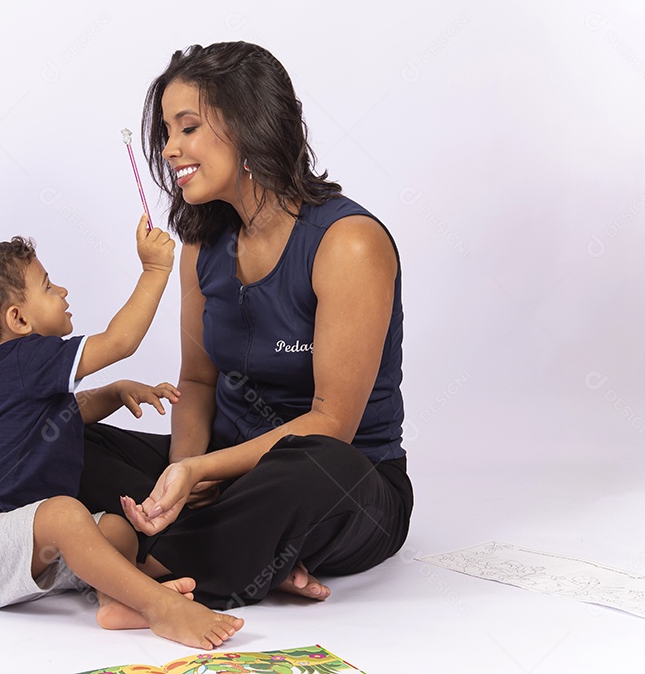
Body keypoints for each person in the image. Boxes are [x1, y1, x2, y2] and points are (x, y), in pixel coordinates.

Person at [78, 42, 414, 610]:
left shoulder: (348, 243)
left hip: (342, 483)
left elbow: (332, 423)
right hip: (223, 475)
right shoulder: (202, 243)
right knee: (54, 436)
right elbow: (199, 383)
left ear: (249, 126)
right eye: (166, 131)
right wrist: (185, 471)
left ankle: (144, 571)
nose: (170, 149)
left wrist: (203, 468)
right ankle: (250, 556)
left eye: (187, 128)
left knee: (316, 463)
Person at [0, 216, 244, 649]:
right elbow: (120, 341)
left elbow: (66, 414)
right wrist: (155, 271)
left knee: (115, 529)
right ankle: (159, 607)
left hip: (31, 550)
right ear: (18, 319)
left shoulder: (16, 374)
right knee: (65, 512)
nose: (62, 292)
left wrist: (115, 392)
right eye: (47, 286)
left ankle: (114, 602)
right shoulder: (24, 359)